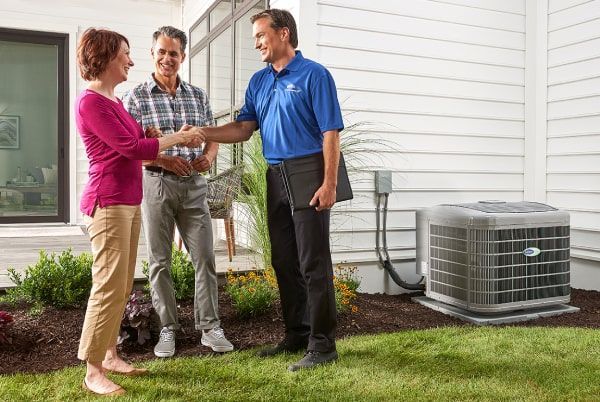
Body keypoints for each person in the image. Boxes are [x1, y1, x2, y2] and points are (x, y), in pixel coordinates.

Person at [201, 9, 343, 371]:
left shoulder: (315, 75)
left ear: (283, 33)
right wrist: (204, 132)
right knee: (282, 260)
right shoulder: (259, 81)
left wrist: (329, 184)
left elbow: (330, 132)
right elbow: (244, 128)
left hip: (309, 171)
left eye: (262, 35)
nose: (257, 43)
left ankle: (323, 344)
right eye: (254, 38)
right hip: (274, 174)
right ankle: (297, 333)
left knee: (314, 262)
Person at [76, 28, 204, 396]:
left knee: (122, 283)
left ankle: (111, 354)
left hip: (128, 200)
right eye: (125, 55)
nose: (131, 61)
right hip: (108, 202)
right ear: (105, 57)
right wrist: (177, 138)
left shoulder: (113, 101)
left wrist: (153, 134)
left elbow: (139, 142)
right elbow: (133, 148)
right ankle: (92, 369)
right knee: (107, 285)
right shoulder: (91, 103)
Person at [123, 26, 233, 358]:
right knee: (160, 260)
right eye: (161, 51)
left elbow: (212, 134)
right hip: (156, 182)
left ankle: (210, 327)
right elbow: (132, 148)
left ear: (182, 56)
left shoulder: (197, 95)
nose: (167, 58)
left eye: (174, 53)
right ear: (153, 53)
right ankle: (167, 328)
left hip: (194, 187)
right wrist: (165, 161)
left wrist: (209, 157)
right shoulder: (137, 97)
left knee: (204, 256)